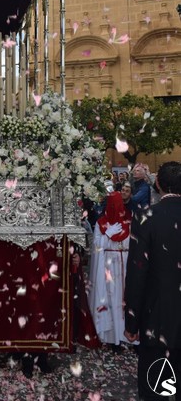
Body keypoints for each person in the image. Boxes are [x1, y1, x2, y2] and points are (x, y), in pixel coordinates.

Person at [124, 161, 181, 401]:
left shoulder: (146, 217)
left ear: (157, 183)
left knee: (156, 389)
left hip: (157, 319)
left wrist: (132, 322)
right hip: (160, 316)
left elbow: (137, 274)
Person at [88, 191, 133, 351]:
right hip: (108, 266)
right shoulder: (101, 223)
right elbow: (96, 247)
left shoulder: (130, 220)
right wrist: (107, 235)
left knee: (126, 299)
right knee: (111, 299)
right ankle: (112, 337)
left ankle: (128, 334)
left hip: (126, 263)